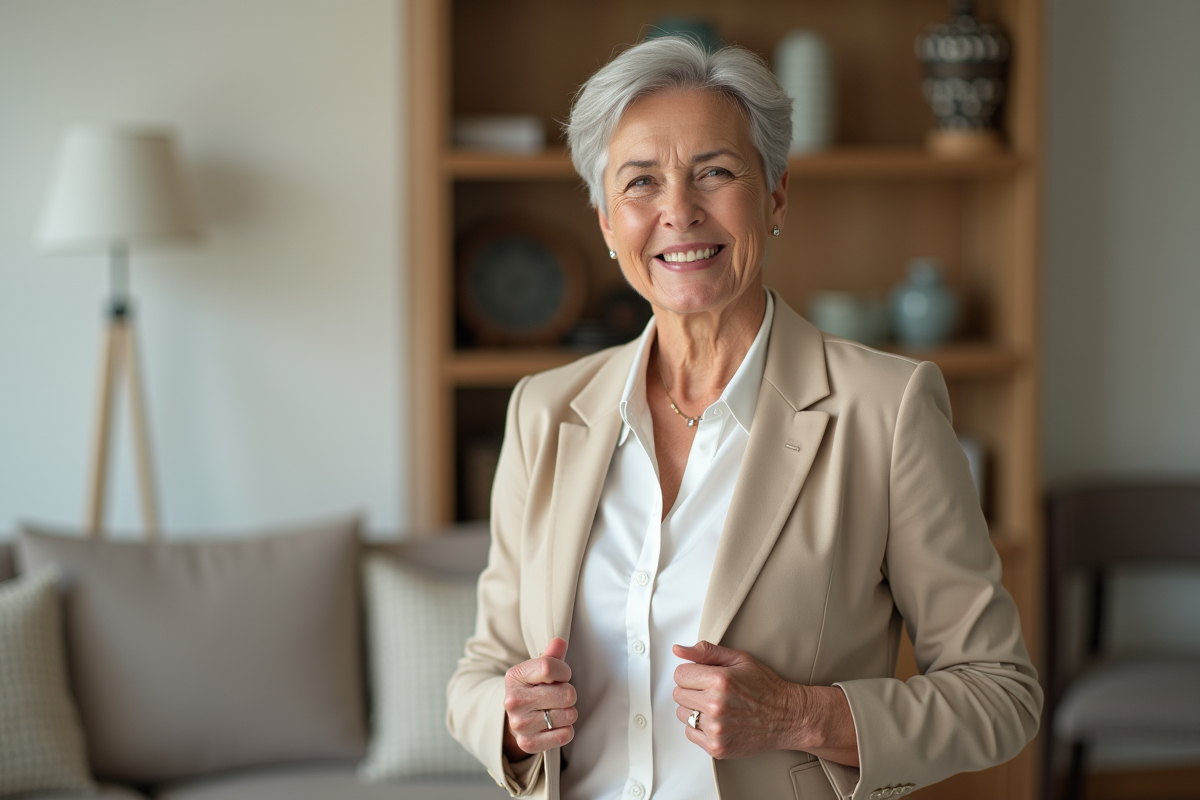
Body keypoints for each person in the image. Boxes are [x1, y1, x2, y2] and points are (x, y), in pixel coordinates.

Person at [447, 36, 1042, 800]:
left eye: (715, 173)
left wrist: (803, 715)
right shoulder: (544, 409)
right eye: (640, 183)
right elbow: (482, 667)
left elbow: (1001, 693)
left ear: (776, 195)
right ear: (604, 220)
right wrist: (507, 717)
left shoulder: (885, 410)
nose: (679, 212)